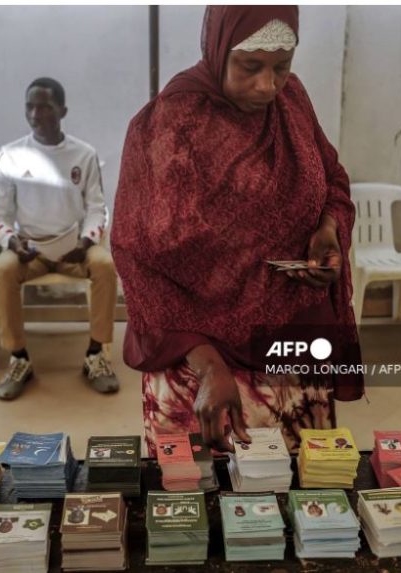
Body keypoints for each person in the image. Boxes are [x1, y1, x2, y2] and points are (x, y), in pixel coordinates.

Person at [112, 6, 363, 457]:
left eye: (282, 67)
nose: (267, 85)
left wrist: (328, 230)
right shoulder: (172, 123)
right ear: (218, 48)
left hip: (294, 353)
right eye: (250, 66)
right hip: (203, 366)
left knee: (303, 498)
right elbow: (137, 255)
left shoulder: (292, 104)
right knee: (205, 502)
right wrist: (208, 365)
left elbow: (332, 180)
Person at [0, 77, 119, 400]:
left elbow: (97, 208)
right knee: (2, 271)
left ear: (62, 110)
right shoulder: (11, 155)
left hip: (73, 249)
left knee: (104, 266)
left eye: (44, 106)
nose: (35, 113)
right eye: (30, 106)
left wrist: (86, 243)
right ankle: (19, 358)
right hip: (29, 251)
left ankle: (95, 355)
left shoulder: (84, 154)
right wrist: (12, 243)